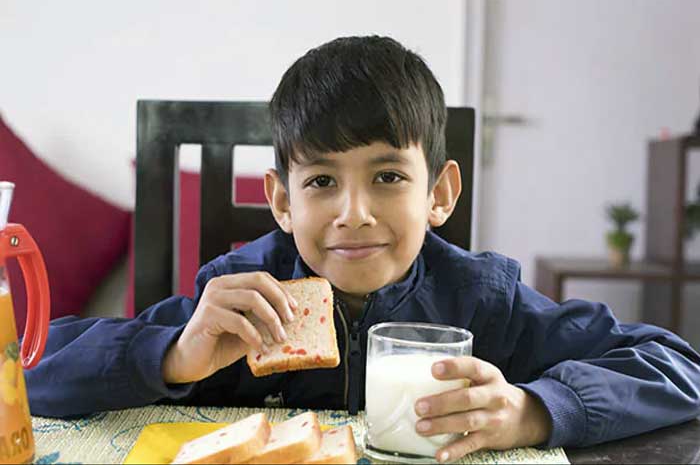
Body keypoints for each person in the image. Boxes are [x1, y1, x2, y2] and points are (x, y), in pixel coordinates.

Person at [26, 36, 700, 463]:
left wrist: (535, 409)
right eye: (321, 180)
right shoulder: (235, 296)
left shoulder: (482, 300)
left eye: (387, 176)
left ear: (438, 192)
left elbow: (676, 364)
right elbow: (27, 369)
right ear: (282, 201)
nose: (355, 213)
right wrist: (172, 355)